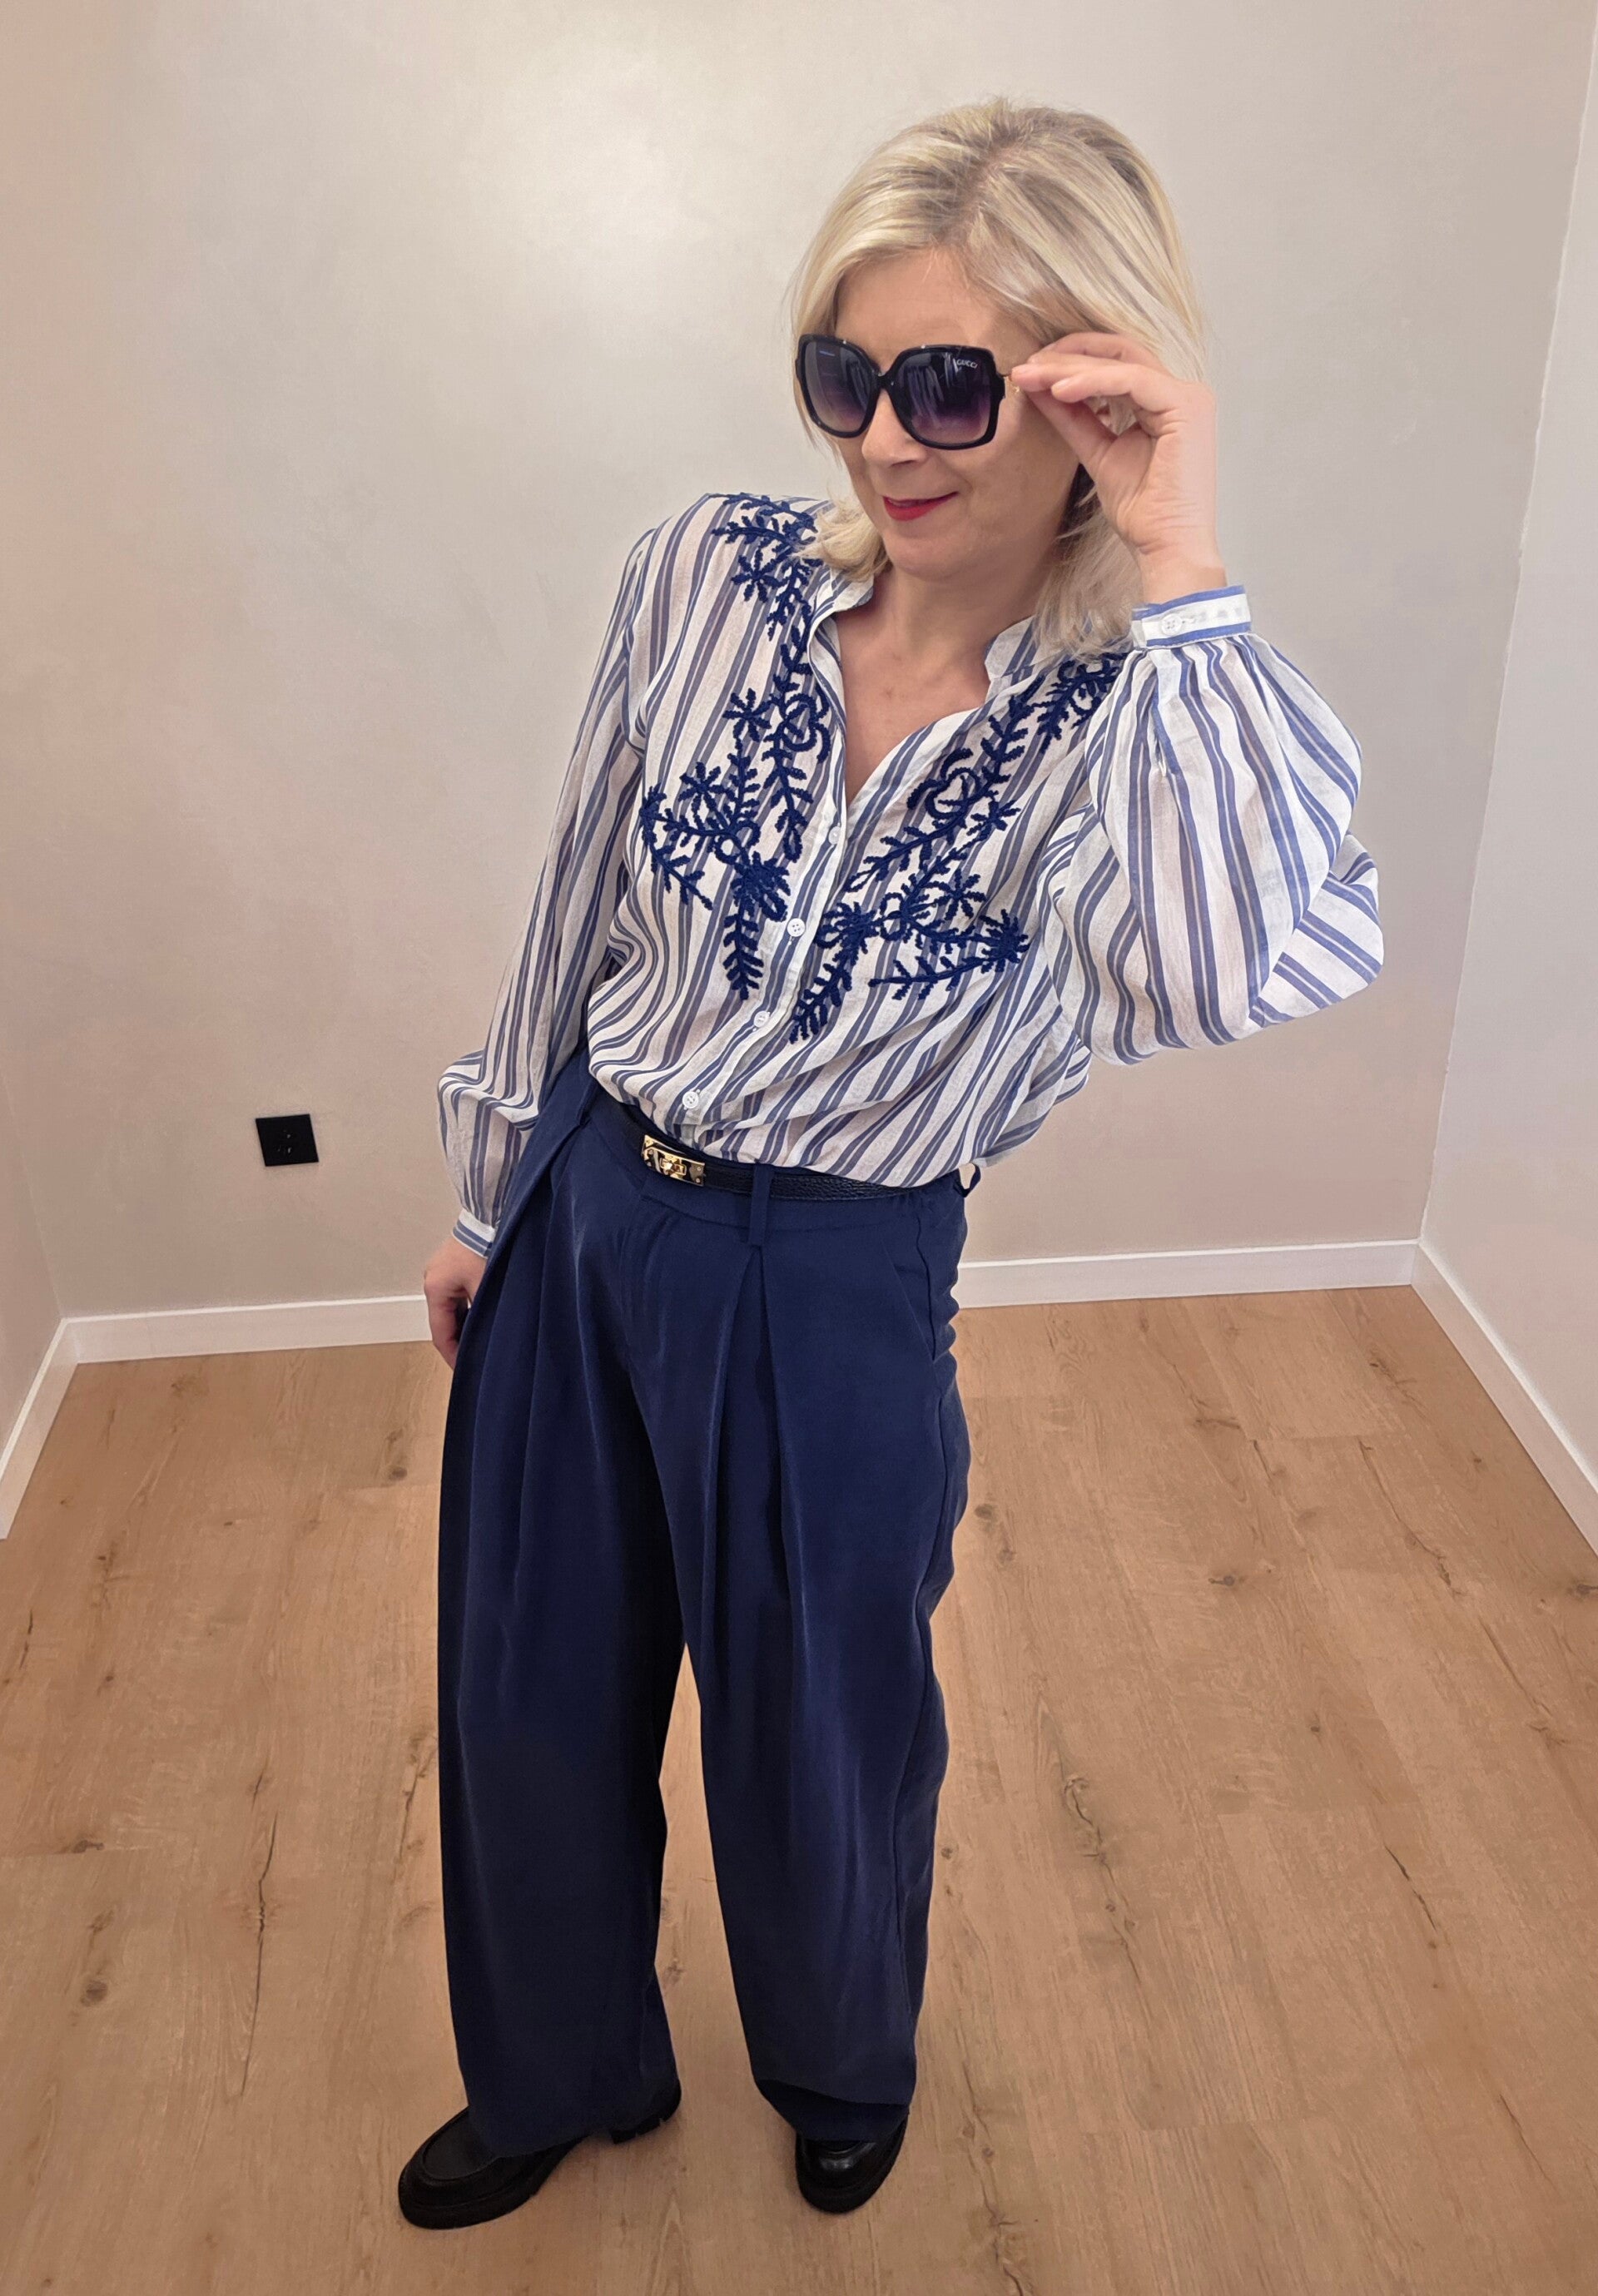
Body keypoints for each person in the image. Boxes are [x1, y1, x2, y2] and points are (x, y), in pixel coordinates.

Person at [398, 95, 1383, 2229]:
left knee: (824, 1726)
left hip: (838, 1273)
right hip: (590, 1204)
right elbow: (575, 891)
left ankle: (840, 2062)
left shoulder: (1131, 722)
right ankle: (562, 2063)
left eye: (952, 385)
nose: (883, 442)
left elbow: (1222, 964)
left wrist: (1182, 555)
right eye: (844, 376)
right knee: (525, 1685)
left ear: (1094, 395)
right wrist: (493, 1188)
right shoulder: (706, 574)